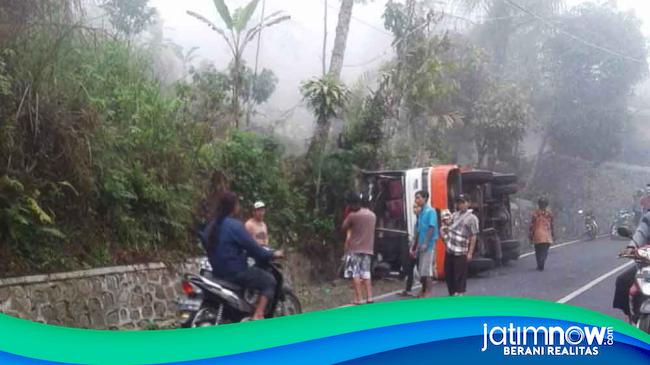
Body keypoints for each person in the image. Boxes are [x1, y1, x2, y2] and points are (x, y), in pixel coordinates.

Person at [203, 192, 283, 320]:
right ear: (234, 207)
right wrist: (273, 254)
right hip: (235, 274)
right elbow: (254, 249)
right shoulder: (235, 226)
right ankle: (258, 314)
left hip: (217, 274)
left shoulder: (210, 227)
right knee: (269, 281)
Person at [613, 210, 650, 322]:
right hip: (648, 266)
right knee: (622, 281)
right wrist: (631, 248)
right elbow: (640, 233)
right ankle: (631, 317)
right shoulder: (648, 217)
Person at [342, 193, 377, 305]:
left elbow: (344, 227)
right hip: (368, 249)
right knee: (366, 273)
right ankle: (370, 297)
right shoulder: (372, 215)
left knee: (355, 273)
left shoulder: (353, 215)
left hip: (354, 249)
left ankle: (359, 299)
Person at [443, 194, 479, 296]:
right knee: (448, 273)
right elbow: (447, 225)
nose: (461, 205)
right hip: (450, 249)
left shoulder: (472, 218)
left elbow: (473, 236)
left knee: (459, 275)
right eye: (459, 203)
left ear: (468, 203)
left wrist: (470, 253)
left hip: (461, 250)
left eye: (463, 202)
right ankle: (452, 294)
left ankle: (460, 294)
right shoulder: (454, 215)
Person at [411, 190, 438, 298]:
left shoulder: (430, 211)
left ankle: (429, 292)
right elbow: (418, 230)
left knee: (427, 270)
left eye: (418, 197)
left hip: (429, 245)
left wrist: (426, 243)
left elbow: (431, 227)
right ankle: (423, 290)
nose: (416, 200)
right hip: (420, 246)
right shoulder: (420, 213)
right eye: (416, 198)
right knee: (421, 270)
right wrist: (415, 246)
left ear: (425, 198)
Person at [400, 203, 422, 296]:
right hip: (414, 248)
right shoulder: (417, 220)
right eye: (413, 208)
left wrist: (414, 248)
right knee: (410, 268)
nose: (414, 209)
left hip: (419, 248)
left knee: (420, 269)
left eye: (416, 207)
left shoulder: (422, 220)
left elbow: (419, 236)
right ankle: (408, 288)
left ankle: (424, 289)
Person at [529, 197, 554, 271]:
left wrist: (530, 236)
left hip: (537, 235)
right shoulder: (549, 214)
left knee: (538, 250)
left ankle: (539, 263)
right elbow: (552, 225)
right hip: (547, 235)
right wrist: (552, 234)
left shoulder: (535, 214)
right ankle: (542, 261)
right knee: (545, 250)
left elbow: (532, 225)